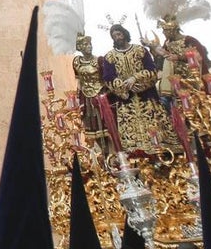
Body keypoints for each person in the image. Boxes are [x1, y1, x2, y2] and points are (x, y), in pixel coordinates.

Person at [102, 23, 175, 153]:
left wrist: (135, 79)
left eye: (119, 34)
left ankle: (161, 152)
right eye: (114, 36)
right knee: (132, 138)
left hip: (147, 97)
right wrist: (124, 85)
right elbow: (108, 78)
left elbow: (152, 70)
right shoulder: (110, 57)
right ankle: (137, 154)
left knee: (155, 128)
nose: (117, 37)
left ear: (124, 34)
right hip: (126, 101)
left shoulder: (140, 50)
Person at [72, 33, 110, 154]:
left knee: (104, 122)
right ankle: (100, 153)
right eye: (85, 44)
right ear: (80, 47)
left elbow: (106, 79)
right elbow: (78, 80)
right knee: (90, 123)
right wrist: (77, 97)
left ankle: (110, 151)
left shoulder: (99, 60)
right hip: (85, 96)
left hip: (100, 94)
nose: (89, 46)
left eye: (89, 44)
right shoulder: (76, 61)